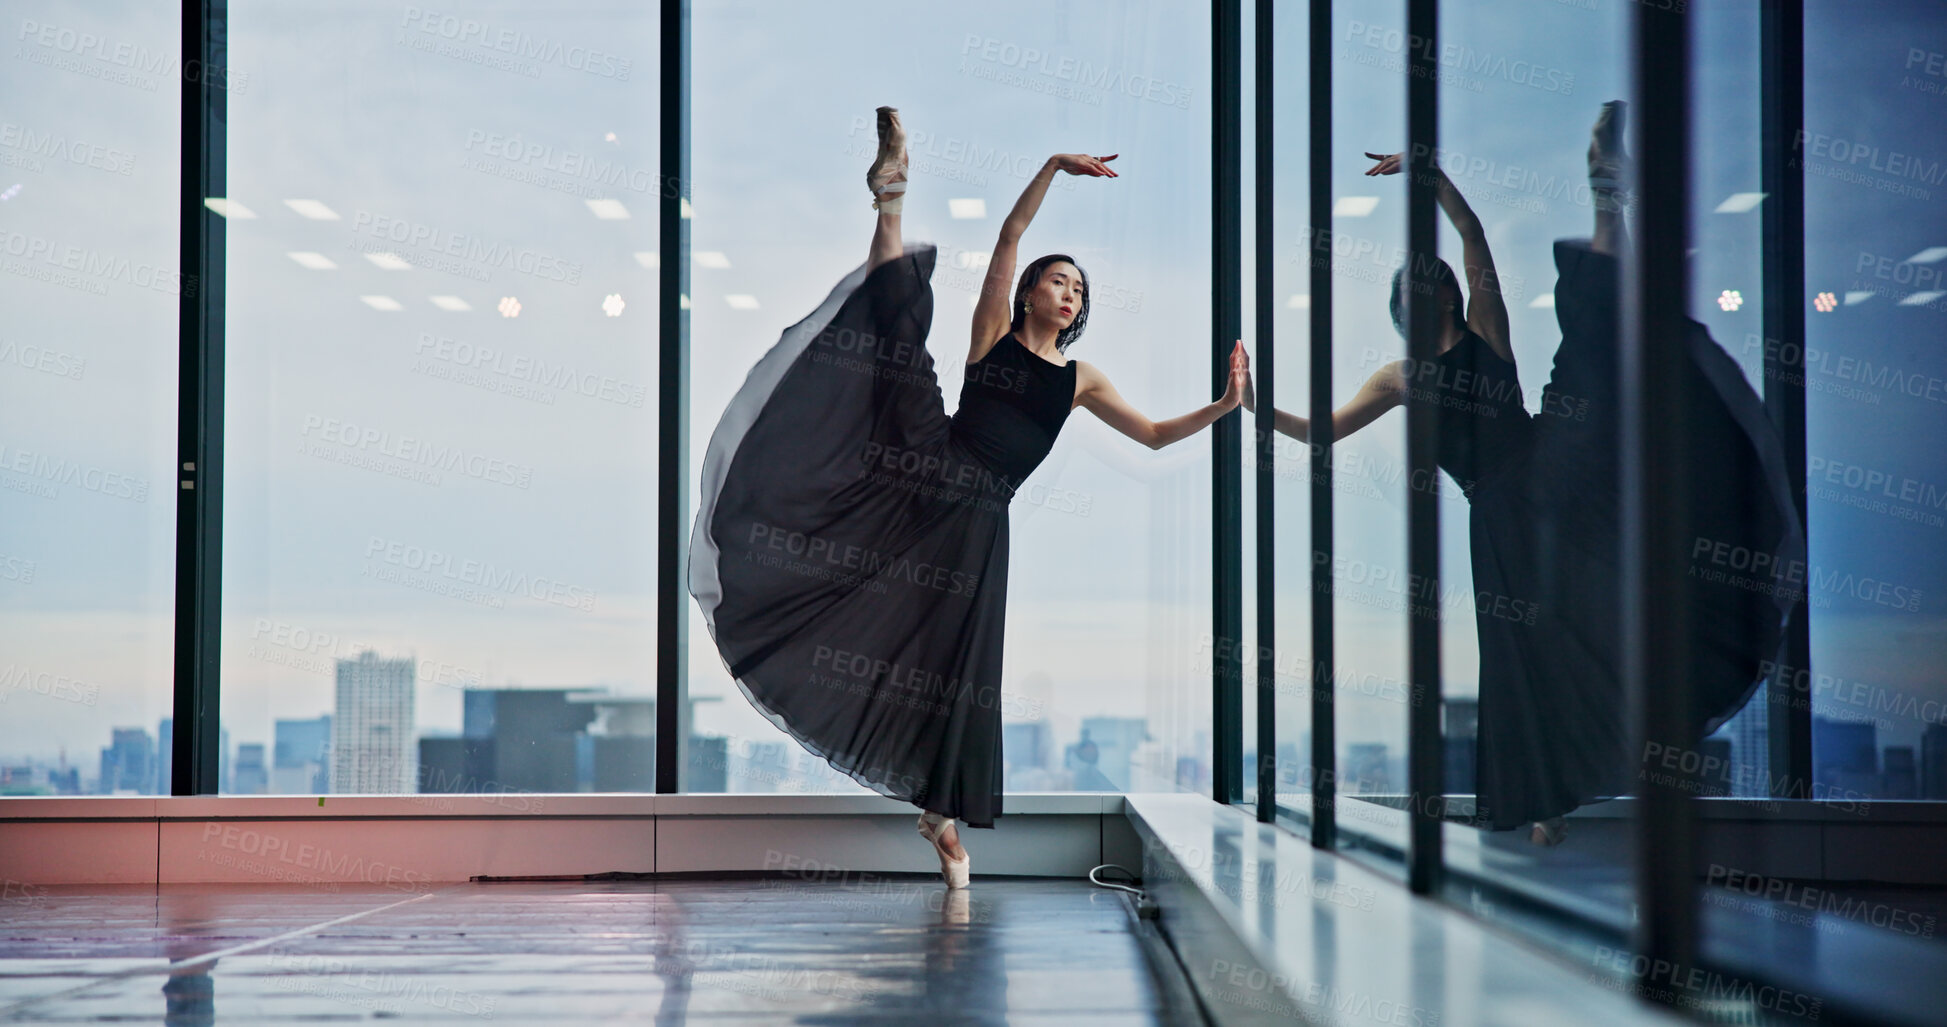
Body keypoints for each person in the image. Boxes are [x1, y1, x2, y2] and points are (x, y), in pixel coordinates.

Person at [689, 106, 1250, 887]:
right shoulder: (996, 334)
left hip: (982, 527)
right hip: (931, 468)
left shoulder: (1082, 380)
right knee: (893, 331)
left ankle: (938, 816)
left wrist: (1223, 407)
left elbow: (1153, 434)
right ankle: (890, 195)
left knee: (950, 670)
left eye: (1078, 289)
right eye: (1057, 281)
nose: (1068, 293)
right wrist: (1051, 165)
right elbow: (1009, 239)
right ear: (1026, 295)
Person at [1244, 101, 1805, 845]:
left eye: (1428, 278)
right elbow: (1322, 429)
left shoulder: (1484, 323)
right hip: (1500, 512)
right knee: (1524, 650)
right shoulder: (1399, 376)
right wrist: (1253, 408)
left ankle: (1608, 189)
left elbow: (1474, 238)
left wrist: (1431, 176)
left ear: (1442, 291)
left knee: (1595, 329)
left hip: (1555, 458)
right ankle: (1543, 802)